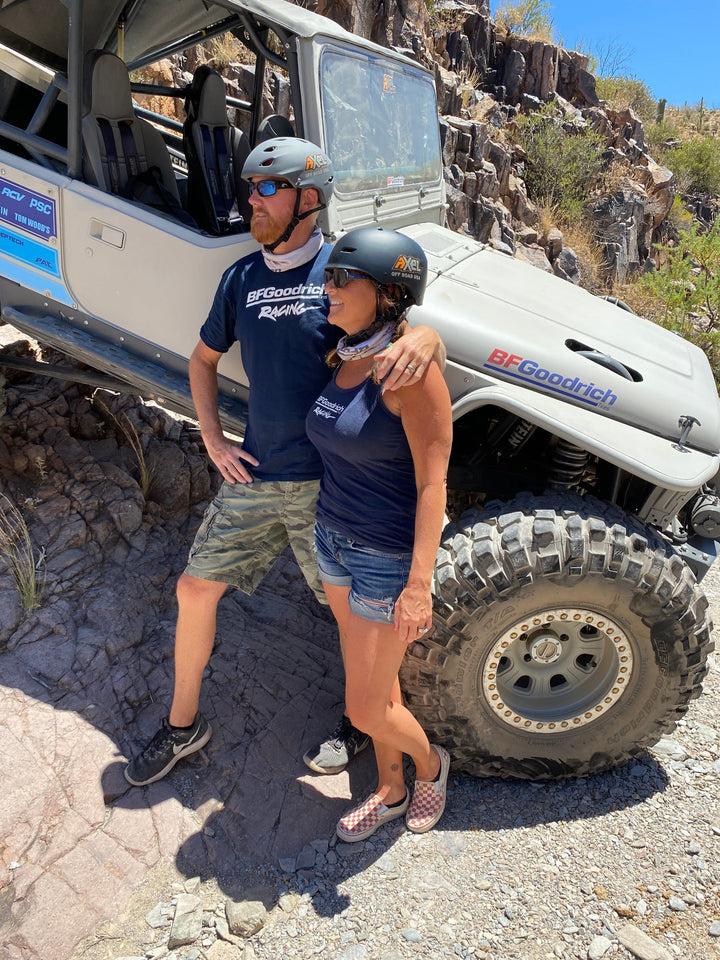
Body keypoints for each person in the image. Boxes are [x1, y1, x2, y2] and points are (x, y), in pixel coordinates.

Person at [124, 138, 443, 787]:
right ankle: (183, 726)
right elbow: (202, 360)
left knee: (356, 622)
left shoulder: (341, 272)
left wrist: (431, 336)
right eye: (251, 188)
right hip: (258, 475)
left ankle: (369, 722)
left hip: (329, 489)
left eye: (266, 187)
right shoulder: (240, 278)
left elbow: (398, 327)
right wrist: (213, 441)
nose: (252, 200)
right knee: (194, 589)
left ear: (308, 198)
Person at [305, 227, 453, 840]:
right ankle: (390, 789)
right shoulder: (344, 353)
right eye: (328, 278)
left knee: (364, 707)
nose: (328, 289)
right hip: (333, 540)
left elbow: (433, 486)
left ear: (388, 293)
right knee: (374, 683)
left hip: (383, 559)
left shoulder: (409, 372)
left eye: (343, 279)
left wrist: (420, 584)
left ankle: (432, 766)